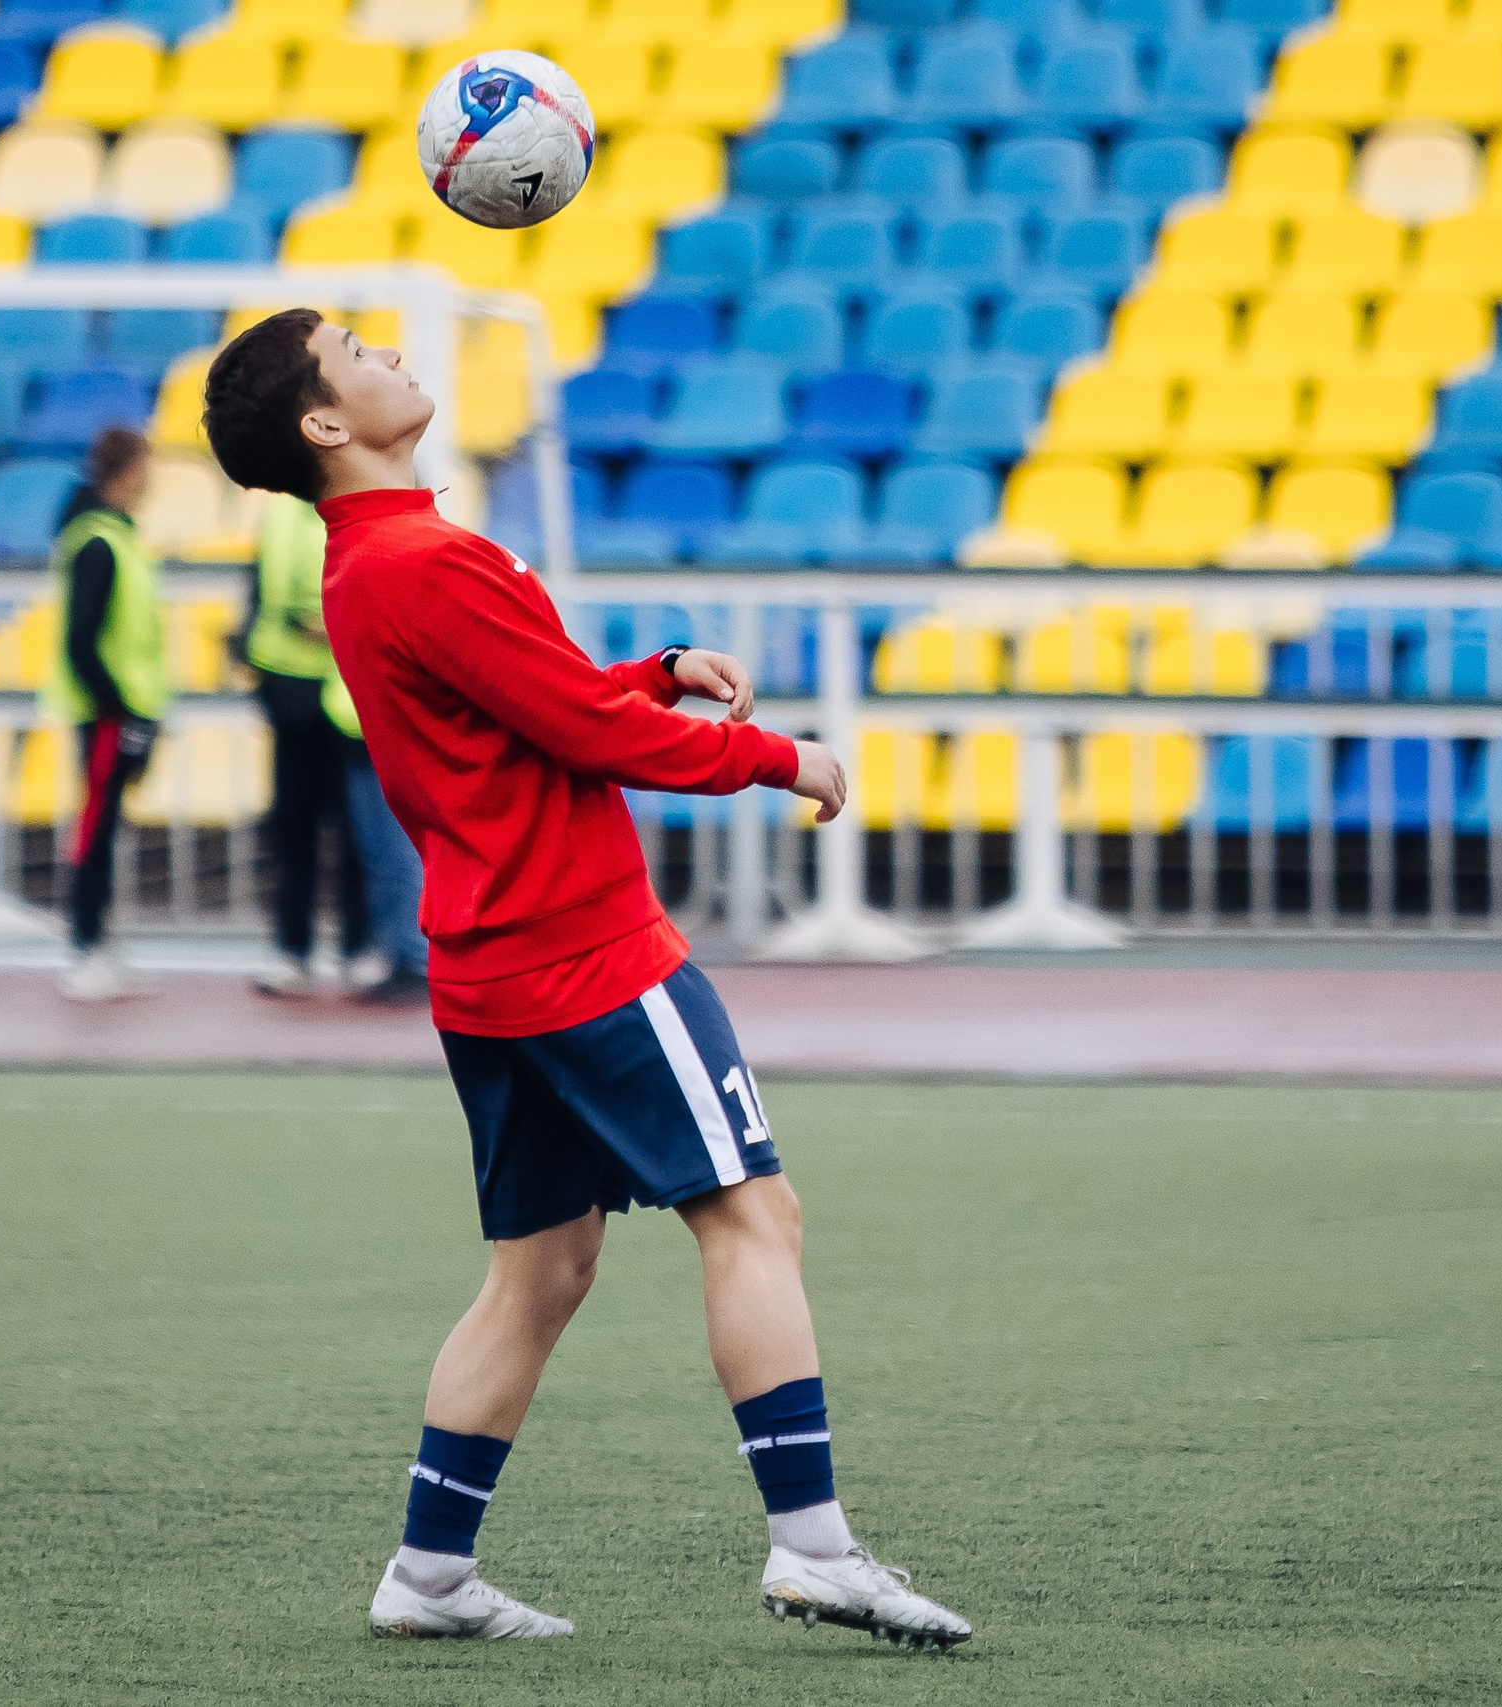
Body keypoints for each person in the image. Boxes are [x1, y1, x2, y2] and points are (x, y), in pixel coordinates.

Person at [201, 310, 971, 1651]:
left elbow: (525, 709)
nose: (389, 352)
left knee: (540, 1271)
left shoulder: (374, 559)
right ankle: (814, 1550)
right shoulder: (426, 557)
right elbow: (579, 729)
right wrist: (774, 757)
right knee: (753, 1215)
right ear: (323, 423)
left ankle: (429, 1573)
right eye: (356, 350)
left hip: (490, 964)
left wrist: (656, 675)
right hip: (585, 949)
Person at [41, 428, 164, 1003]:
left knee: (106, 829)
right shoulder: (99, 544)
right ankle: (83, 946)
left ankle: (96, 943)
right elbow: (81, 641)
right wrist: (120, 705)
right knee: (94, 830)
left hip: (121, 711)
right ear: (128, 470)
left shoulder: (116, 537)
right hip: (107, 715)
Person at [245, 492, 373, 997]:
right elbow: (260, 601)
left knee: (355, 828)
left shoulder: (355, 519)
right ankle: (292, 947)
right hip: (292, 696)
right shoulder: (279, 520)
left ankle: (356, 945)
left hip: (346, 698)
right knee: (293, 827)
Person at [322, 668, 428, 1005]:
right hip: (362, 736)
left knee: (396, 855)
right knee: (380, 855)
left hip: (386, 734)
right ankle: (401, 956)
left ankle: (414, 958)